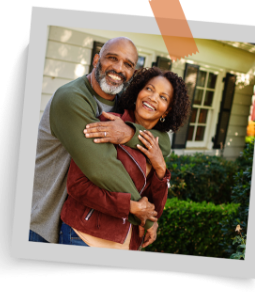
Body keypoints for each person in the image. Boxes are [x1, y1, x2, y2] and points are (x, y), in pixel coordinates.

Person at [29, 37, 172, 244]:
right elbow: (102, 167)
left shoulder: (119, 102)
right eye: (112, 58)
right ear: (96, 60)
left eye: (128, 64)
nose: (118, 68)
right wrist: (145, 216)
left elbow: (164, 143)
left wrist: (130, 134)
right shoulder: (72, 98)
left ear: (132, 73)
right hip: (40, 219)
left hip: (71, 222)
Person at [60, 67, 191, 250]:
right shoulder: (108, 124)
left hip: (126, 245)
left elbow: (154, 211)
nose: (153, 98)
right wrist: (128, 207)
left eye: (163, 97)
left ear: (167, 111)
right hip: (83, 237)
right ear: (138, 92)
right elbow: (77, 185)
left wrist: (160, 168)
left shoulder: (157, 147)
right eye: (149, 89)